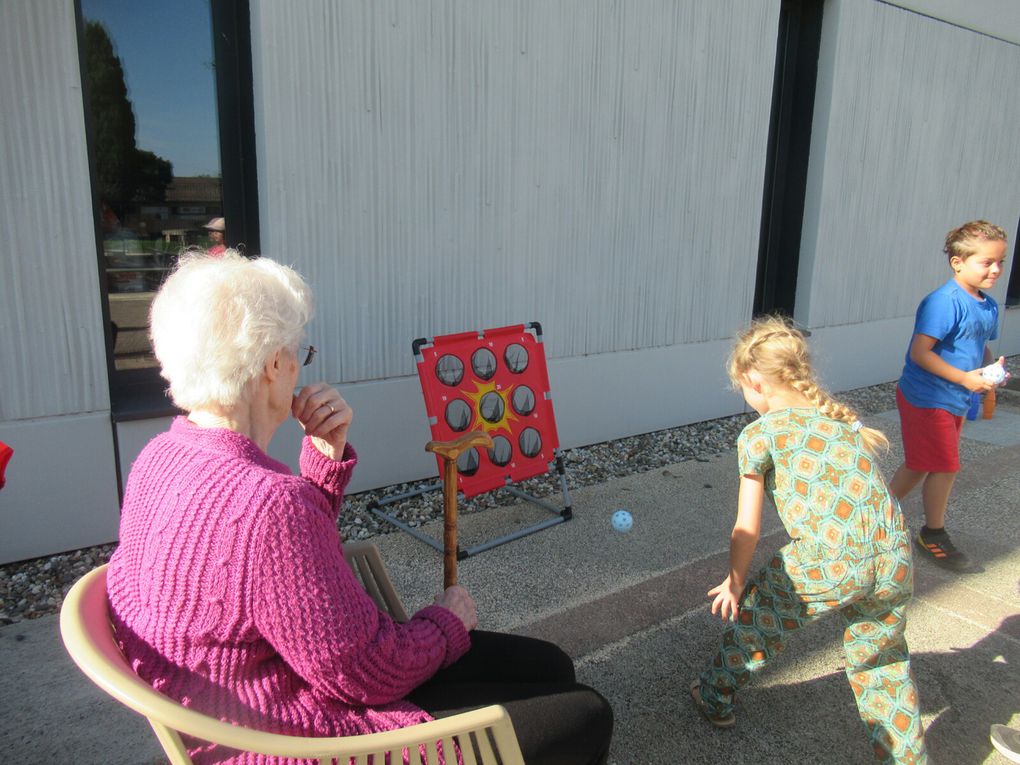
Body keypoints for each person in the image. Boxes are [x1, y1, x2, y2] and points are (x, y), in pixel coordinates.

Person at [106, 251, 612, 765]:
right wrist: (446, 622)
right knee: (587, 712)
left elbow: (286, 574)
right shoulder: (267, 505)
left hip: (237, 710)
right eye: (300, 354)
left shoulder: (159, 458)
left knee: (551, 666)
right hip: (305, 737)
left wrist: (324, 460)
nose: (300, 367)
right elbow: (364, 673)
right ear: (273, 364)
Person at [689, 317, 926, 764]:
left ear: (753, 380)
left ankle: (715, 695)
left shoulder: (760, 434)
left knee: (762, 617)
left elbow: (747, 527)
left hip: (828, 561)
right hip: (894, 554)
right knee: (884, 664)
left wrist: (736, 582)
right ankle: (907, 759)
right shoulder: (840, 420)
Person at [887, 221, 1009, 570]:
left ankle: (875, 513)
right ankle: (932, 534)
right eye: (986, 262)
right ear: (958, 262)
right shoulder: (943, 302)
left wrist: (988, 370)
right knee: (945, 465)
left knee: (922, 463)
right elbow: (920, 353)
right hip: (927, 398)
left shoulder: (987, 305)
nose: (996, 269)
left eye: (1000, 261)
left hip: (955, 396)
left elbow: (977, 346)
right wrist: (964, 379)